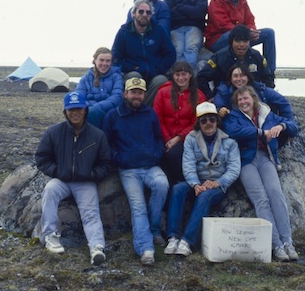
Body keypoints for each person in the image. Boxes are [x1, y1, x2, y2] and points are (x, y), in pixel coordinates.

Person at [222, 85, 299, 262]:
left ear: (253, 99)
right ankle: (276, 245)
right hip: (245, 161)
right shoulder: (233, 116)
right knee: (261, 199)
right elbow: (233, 131)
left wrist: (281, 125)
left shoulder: (267, 114)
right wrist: (261, 132)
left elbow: (293, 126)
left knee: (276, 194)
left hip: (265, 157)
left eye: (246, 98)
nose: (243, 102)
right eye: (239, 99)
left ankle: (288, 242)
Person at [35, 91, 111, 266]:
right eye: (71, 109)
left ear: (85, 110)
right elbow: (42, 158)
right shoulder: (53, 132)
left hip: (85, 182)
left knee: (90, 212)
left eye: (78, 109)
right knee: (49, 191)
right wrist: (58, 171)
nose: (75, 113)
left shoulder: (97, 135)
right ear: (65, 111)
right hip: (61, 180)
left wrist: (92, 175)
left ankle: (97, 247)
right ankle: (50, 237)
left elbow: (106, 163)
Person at [102, 77, 169, 265]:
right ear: (125, 94)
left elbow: (158, 138)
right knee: (138, 206)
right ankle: (146, 249)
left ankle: (154, 229)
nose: (136, 95)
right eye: (133, 92)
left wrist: (157, 154)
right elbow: (106, 145)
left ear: (144, 94)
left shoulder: (150, 114)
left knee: (163, 185)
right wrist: (119, 159)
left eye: (140, 92)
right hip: (128, 170)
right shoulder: (113, 116)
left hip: (151, 166)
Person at [164, 102, 240, 256]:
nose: (208, 124)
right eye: (203, 120)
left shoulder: (230, 142)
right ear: (198, 123)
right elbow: (188, 164)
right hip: (196, 181)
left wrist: (218, 182)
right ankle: (173, 237)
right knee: (178, 189)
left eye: (212, 119)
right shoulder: (191, 140)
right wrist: (195, 184)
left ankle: (187, 241)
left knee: (205, 197)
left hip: (218, 184)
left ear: (217, 121)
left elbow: (234, 169)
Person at [204, 0, 277, 79]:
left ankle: (269, 73)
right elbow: (222, 24)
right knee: (230, 34)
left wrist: (253, 31)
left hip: (241, 37)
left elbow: (250, 19)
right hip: (218, 39)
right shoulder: (216, 1)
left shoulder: (242, 1)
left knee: (269, 33)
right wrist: (247, 33)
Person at [111, 0, 176, 106]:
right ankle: (135, 108)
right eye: (141, 11)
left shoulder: (158, 30)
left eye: (148, 12)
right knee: (134, 77)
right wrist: (131, 67)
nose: (144, 14)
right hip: (133, 72)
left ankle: (143, 109)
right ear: (133, 14)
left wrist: (159, 68)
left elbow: (170, 54)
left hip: (155, 73)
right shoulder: (124, 32)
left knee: (161, 81)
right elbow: (115, 58)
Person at [153, 61, 206, 185]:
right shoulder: (162, 92)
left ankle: (181, 185)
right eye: (177, 75)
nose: (181, 78)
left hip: (187, 139)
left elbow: (197, 121)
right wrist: (167, 139)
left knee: (174, 154)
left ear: (190, 75)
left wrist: (178, 138)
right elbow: (157, 117)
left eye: (184, 74)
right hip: (164, 137)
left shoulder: (198, 96)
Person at [197, 24, 273, 100]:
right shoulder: (219, 57)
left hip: (252, 99)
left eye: (245, 41)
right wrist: (209, 96)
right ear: (231, 42)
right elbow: (201, 78)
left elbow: (268, 78)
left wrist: (266, 96)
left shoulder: (256, 56)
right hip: (226, 99)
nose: (242, 45)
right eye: (238, 41)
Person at [164, 0, 208, 69]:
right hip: (176, 28)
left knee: (191, 49)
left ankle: (187, 75)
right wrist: (191, 13)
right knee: (177, 50)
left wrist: (179, 7)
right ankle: (177, 75)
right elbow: (168, 13)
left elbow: (200, 12)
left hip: (195, 28)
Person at [76, 47, 123, 128]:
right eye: (101, 60)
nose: (104, 64)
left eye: (107, 61)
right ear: (95, 60)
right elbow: (79, 97)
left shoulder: (116, 78)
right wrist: (89, 108)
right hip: (89, 113)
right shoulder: (85, 79)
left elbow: (117, 97)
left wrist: (97, 107)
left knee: (93, 112)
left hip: (109, 113)